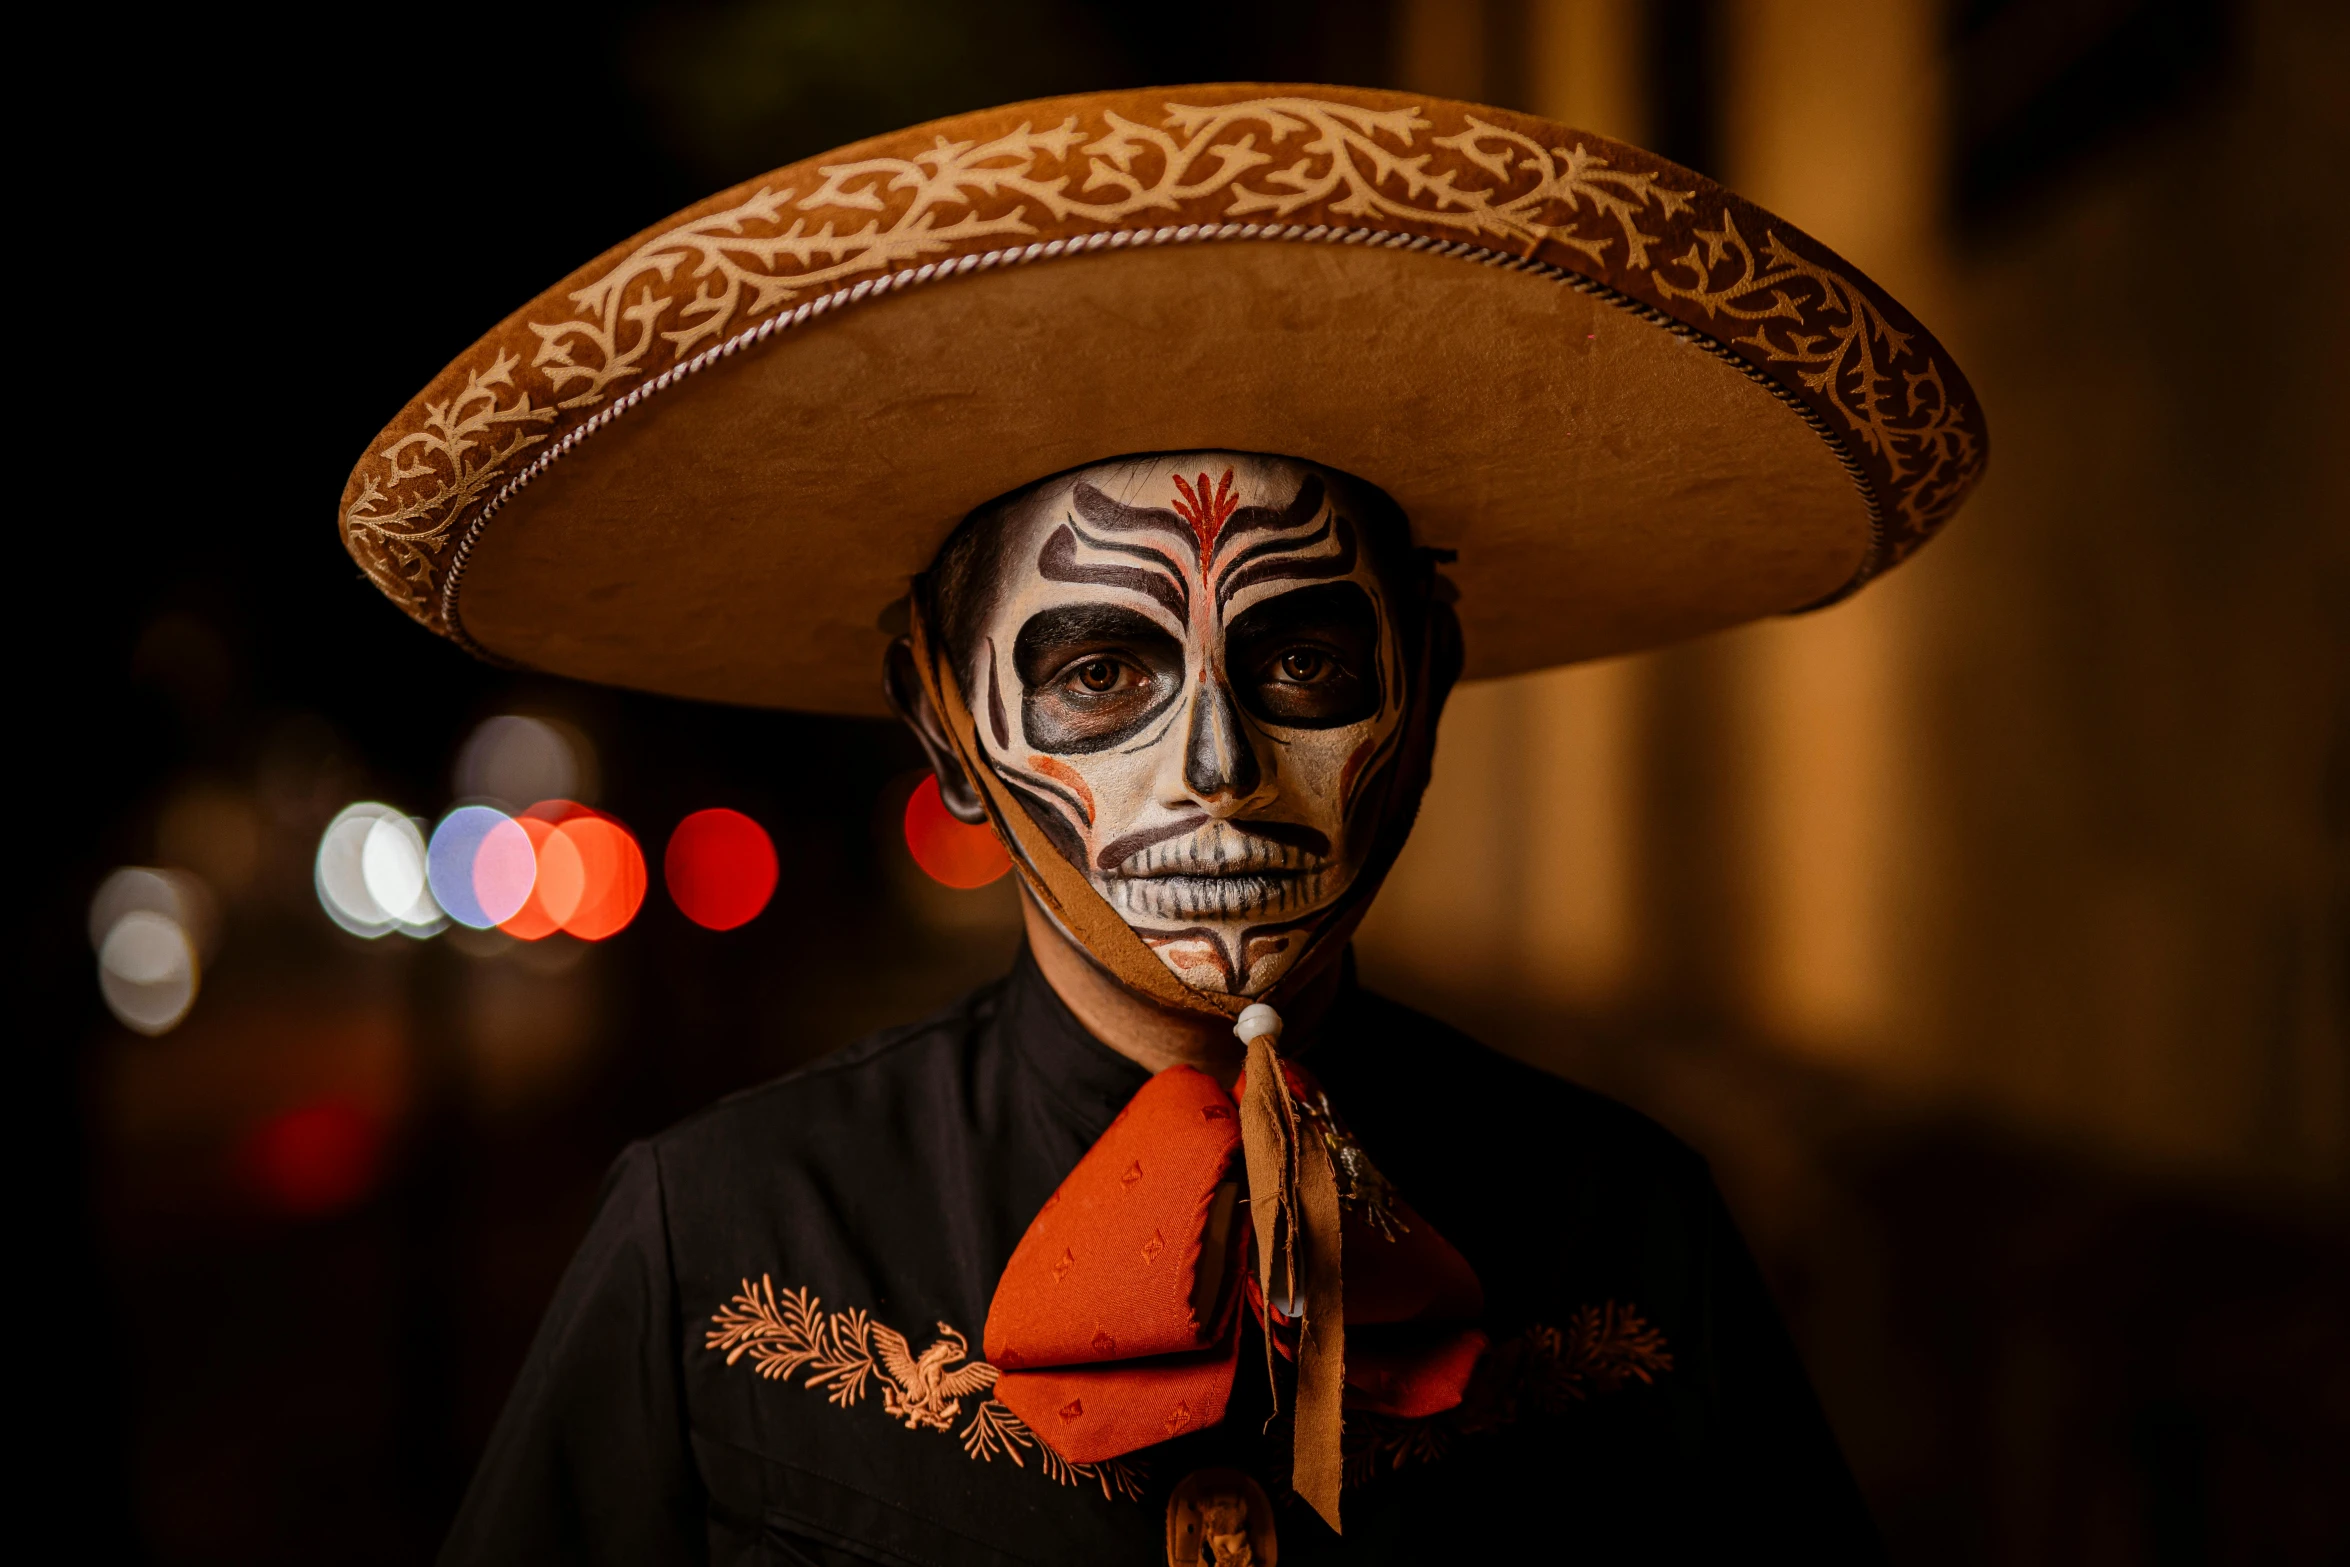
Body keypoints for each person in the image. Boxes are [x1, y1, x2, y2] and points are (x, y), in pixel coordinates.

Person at [341, 84, 1985, 1564]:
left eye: (1304, 654)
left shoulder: (1631, 1223)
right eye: (1102, 666)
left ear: (1428, 685)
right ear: (947, 722)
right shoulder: (722, 1234)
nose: (1215, 757)